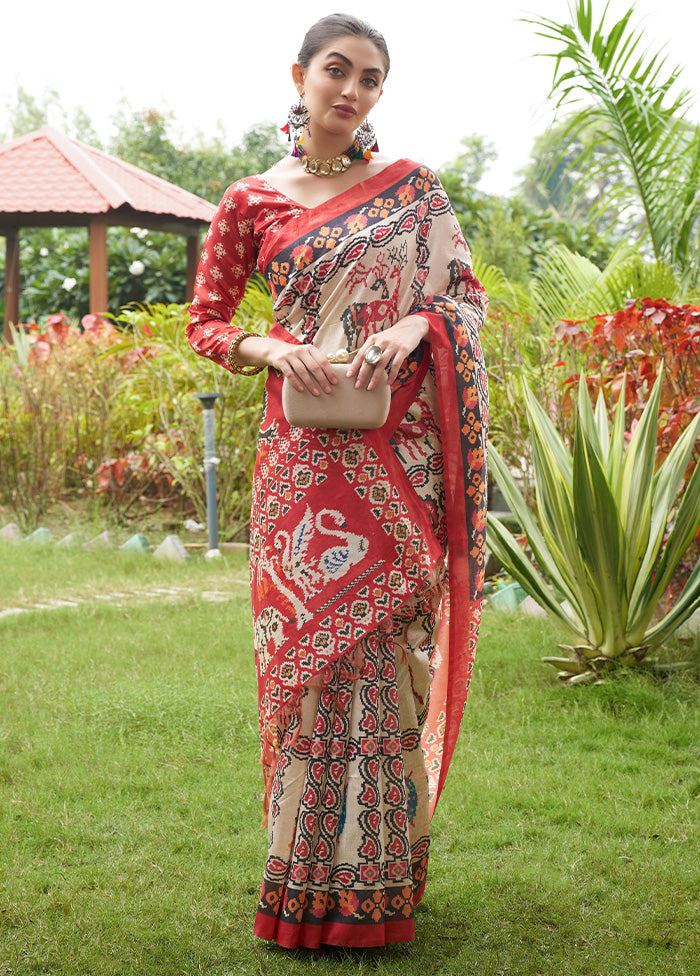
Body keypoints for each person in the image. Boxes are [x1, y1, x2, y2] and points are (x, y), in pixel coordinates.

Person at [186, 13, 488, 950]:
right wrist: (271, 346)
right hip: (301, 465)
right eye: (336, 71)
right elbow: (207, 321)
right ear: (301, 75)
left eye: (370, 78)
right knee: (308, 666)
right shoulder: (252, 200)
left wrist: (417, 330)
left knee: (389, 659)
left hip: (402, 467)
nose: (350, 91)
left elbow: (465, 299)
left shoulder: (415, 192)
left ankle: (379, 884)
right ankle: (302, 884)